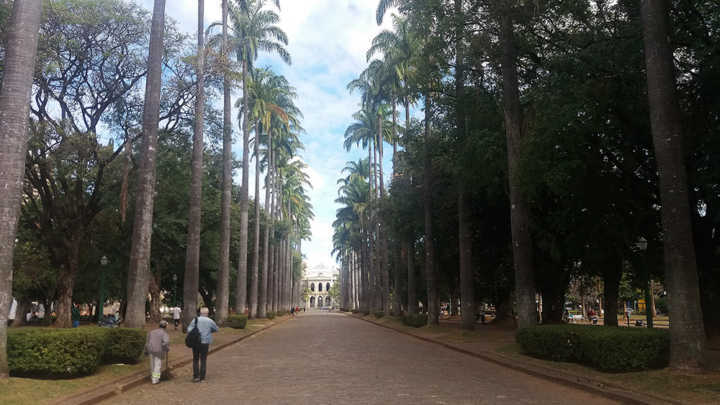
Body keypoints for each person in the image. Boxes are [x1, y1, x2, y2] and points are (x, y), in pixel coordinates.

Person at [186, 307, 218, 383]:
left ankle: (196, 377)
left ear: (200, 313)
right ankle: (202, 378)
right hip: (205, 342)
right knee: (203, 359)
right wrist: (209, 330)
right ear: (207, 313)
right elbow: (216, 329)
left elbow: (189, 329)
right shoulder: (210, 321)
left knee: (195, 359)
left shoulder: (195, 320)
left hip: (196, 342)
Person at [145, 320, 170, 384]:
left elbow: (147, 342)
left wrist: (146, 349)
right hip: (158, 351)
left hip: (150, 350)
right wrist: (166, 348)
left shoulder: (152, 332)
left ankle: (152, 377)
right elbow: (166, 342)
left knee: (152, 365)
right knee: (157, 365)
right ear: (165, 327)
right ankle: (155, 379)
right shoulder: (164, 333)